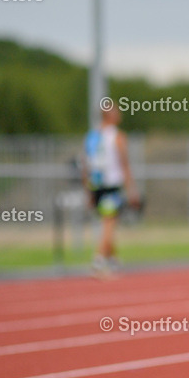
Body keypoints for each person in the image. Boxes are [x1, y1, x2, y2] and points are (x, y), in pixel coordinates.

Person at [82, 102, 139, 277]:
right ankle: (99, 259)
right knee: (109, 222)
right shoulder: (118, 137)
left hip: (96, 185)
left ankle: (113, 260)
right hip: (112, 184)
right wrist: (132, 189)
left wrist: (88, 190)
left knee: (108, 221)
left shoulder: (91, 136)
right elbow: (124, 164)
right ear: (111, 115)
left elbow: (85, 165)